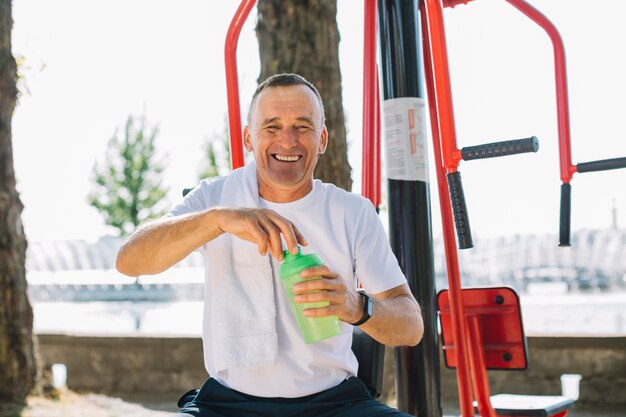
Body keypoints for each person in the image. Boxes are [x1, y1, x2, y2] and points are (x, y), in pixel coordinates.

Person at [116, 73, 424, 417]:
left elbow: (411, 326)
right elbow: (130, 261)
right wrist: (217, 220)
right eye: (272, 127)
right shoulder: (214, 198)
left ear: (322, 140)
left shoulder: (352, 212)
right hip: (228, 404)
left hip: (334, 403)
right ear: (250, 138)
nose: (288, 141)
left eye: (302, 127)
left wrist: (356, 305)